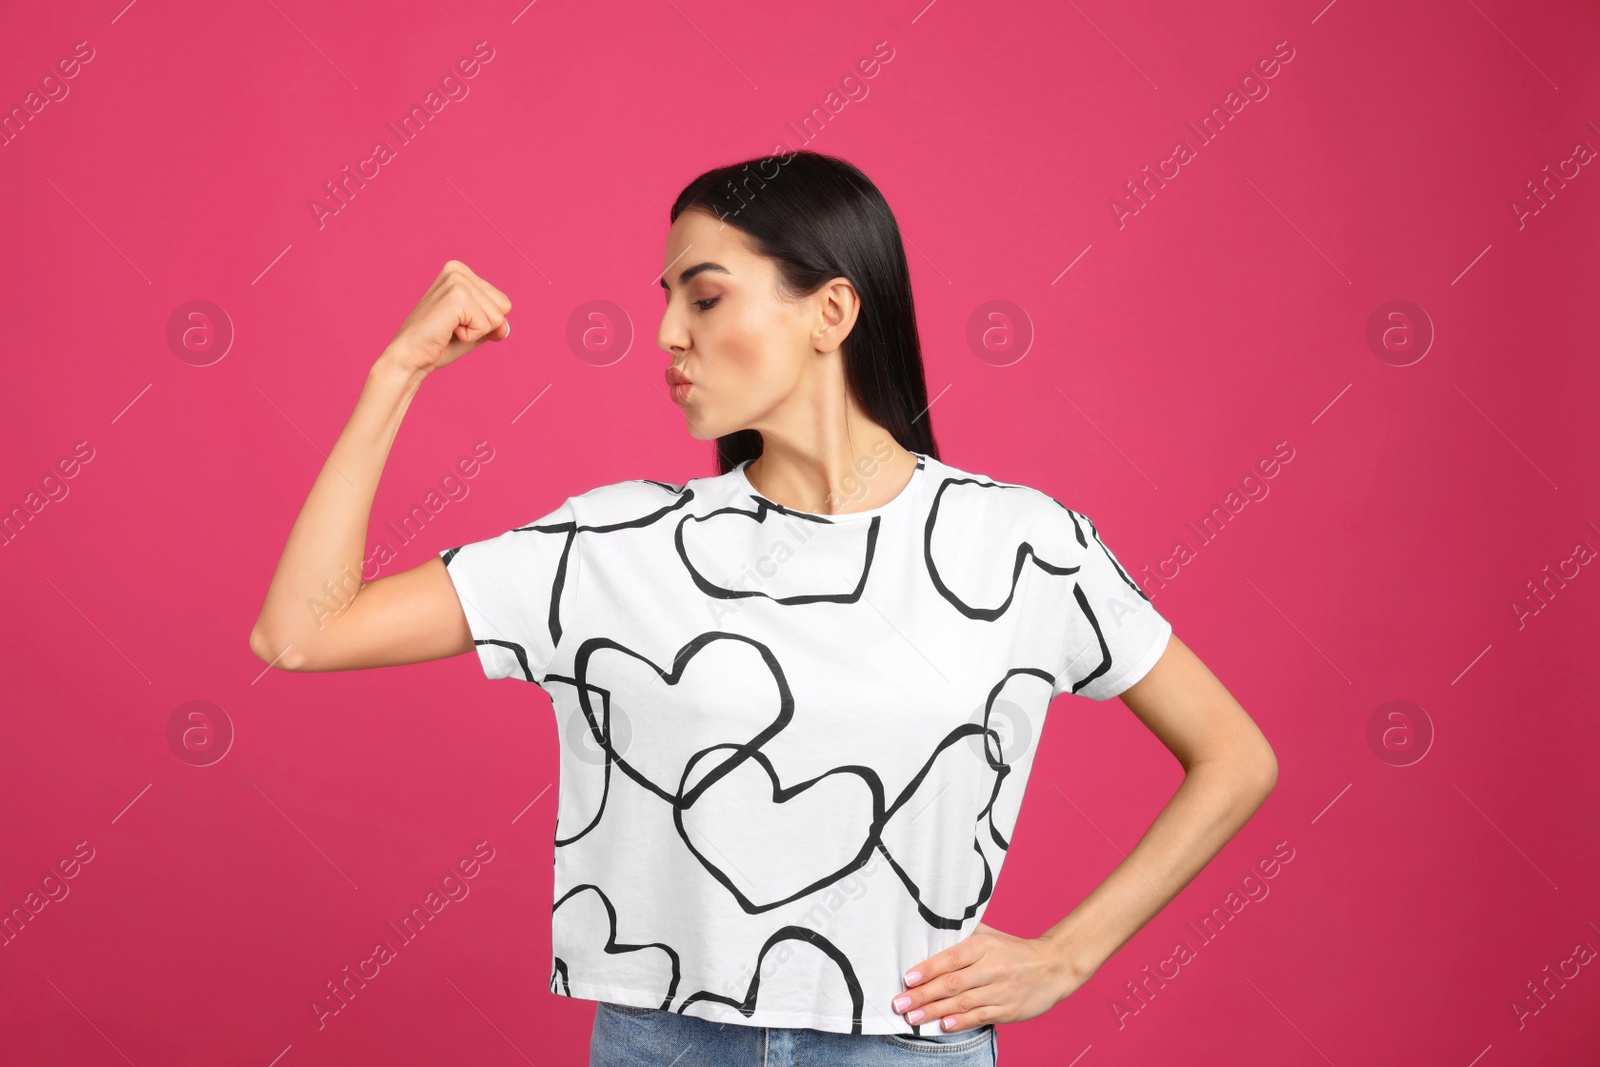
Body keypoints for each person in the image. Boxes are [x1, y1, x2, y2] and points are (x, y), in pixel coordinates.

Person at [249, 150, 1277, 1067]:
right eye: (665, 300)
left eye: (701, 297)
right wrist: (398, 373)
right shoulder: (616, 544)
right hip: (663, 1039)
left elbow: (1234, 756)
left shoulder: (1018, 543)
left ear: (831, 311)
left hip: (908, 1045)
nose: (663, 333)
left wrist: (1066, 955)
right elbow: (302, 631)